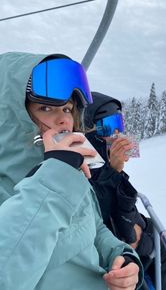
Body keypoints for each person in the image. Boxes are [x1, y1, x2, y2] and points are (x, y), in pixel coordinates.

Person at [0, 52, 143, 290]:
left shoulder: (70, 171)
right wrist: (56, 174)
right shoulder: (57, 173)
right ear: (10, 116)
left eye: (67, 110)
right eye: (46, 107)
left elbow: (95, 227)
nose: (64, 120)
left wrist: (122, 257)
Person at [85, 92, 166, 290]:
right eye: (107, 126)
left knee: (154, 231)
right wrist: (114, 171)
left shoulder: (103, 165)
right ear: (89, 132)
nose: (116, 133)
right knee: (158, 249)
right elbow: (108, 217)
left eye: (118, 124)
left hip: (123, 235)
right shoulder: (84, 167)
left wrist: (115, 170)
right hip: (113, 248)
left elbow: (123, 206)